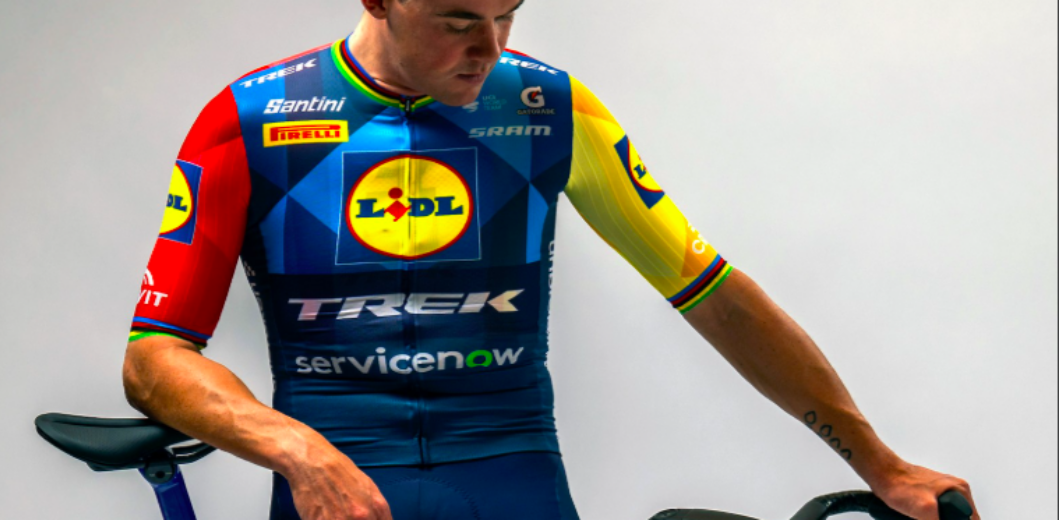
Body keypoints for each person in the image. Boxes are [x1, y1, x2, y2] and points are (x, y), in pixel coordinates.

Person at [122, 1, 980, 519]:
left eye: (507, 16)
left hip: (510, 464)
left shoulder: (549, 108)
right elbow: (154, 357)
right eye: (459, 21)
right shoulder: (249, 119)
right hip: (341, 473)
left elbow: (713, 294)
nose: (491, 48)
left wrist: (882, 465)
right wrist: (295, 450)